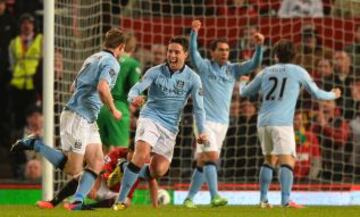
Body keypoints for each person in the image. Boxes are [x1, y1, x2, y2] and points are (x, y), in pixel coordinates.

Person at [10, 28, 126, 210]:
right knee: (73, 169)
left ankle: (77, 202)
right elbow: (103, 88)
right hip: (78, 117)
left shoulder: (92, 58)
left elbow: (74, 86)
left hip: (86, 118)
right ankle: (36, 144)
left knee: (97, 162)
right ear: (121, 47)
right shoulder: (112, 62)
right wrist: (114, 110)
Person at [239, 39, 341, 208]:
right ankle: (286, 201)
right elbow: (317, 94)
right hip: (282, 123)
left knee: (269, 160)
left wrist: (243, 81)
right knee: (288, 160)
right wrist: (333, 94)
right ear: (295, 55)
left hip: (263, 122)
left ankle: (263, 200)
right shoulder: (298, 71)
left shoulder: (266, 71)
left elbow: (244, 92)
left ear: (275, 55)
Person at [112, 36, 208, 211]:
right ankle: (120, 199)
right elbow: (135, 89)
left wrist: (201, 131)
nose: (172, 55)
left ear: (185, 54)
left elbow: (199, 109)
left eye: (176, 52)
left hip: (170, 128)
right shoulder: (154, 72)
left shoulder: (193, 79)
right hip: (150, 118)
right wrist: (133, 98)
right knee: (141, 155)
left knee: (158, 170)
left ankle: (125, 166)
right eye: (170, 51)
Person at [182, 20, 264, 208]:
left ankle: (189, 199)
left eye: (226, 49)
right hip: (203, 122)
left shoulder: (233, 69)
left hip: (222, 123)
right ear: (212, 52)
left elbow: (254, 63)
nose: (224, 52)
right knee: (211, 156)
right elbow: (193, 53)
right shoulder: (204, 67)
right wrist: (194, 32)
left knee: (203, 161)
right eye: (220, 49)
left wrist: (259, 46)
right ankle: (215, 196)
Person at [36, 146, 158, 209]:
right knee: (82, 177)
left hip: (118, 195)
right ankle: (53, 203)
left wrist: (155, 206)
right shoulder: (117, 153)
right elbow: (100, 168)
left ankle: (83, 207)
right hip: (103, 186)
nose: (140, 158)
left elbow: (152, 181)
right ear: (130, 150)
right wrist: (93, 187)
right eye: (135, 154)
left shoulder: (143, 162)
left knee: (125, 202)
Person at [97, 32, 141, 152]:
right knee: (119, 154)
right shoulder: (132, 64)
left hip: (101, 108)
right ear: (132, 48)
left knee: (100, 154)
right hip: (118, 110)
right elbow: (134, 92)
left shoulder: (106, 60)